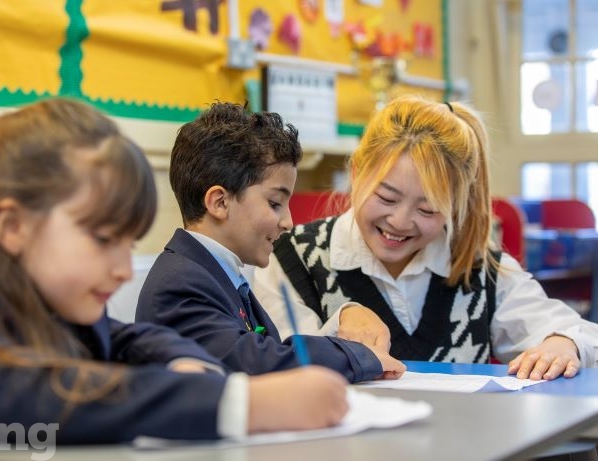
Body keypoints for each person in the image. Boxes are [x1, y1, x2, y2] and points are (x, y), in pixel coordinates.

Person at [0, 98, 353, 446]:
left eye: (128, 244)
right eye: (103, 240)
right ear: (13, 226)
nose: (123, 271)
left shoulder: (25, 282)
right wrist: (237, 404)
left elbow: (118, 336)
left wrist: (184, 360)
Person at [253, 95, 598, 382]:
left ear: (455, 206)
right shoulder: (290, 257)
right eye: (386, 198)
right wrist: (339, 320)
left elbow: (578, 333)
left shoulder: (479, 269)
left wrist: (563, 342)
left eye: (428, 209)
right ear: (356, 175)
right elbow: (278, 355)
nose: (400, 221)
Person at [135, 101, 405, 383]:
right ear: (220, 202)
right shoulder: (180, 285)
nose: (288, 221)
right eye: (275, 203)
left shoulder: (221, 276)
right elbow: (255, 360)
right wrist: (356, 356)